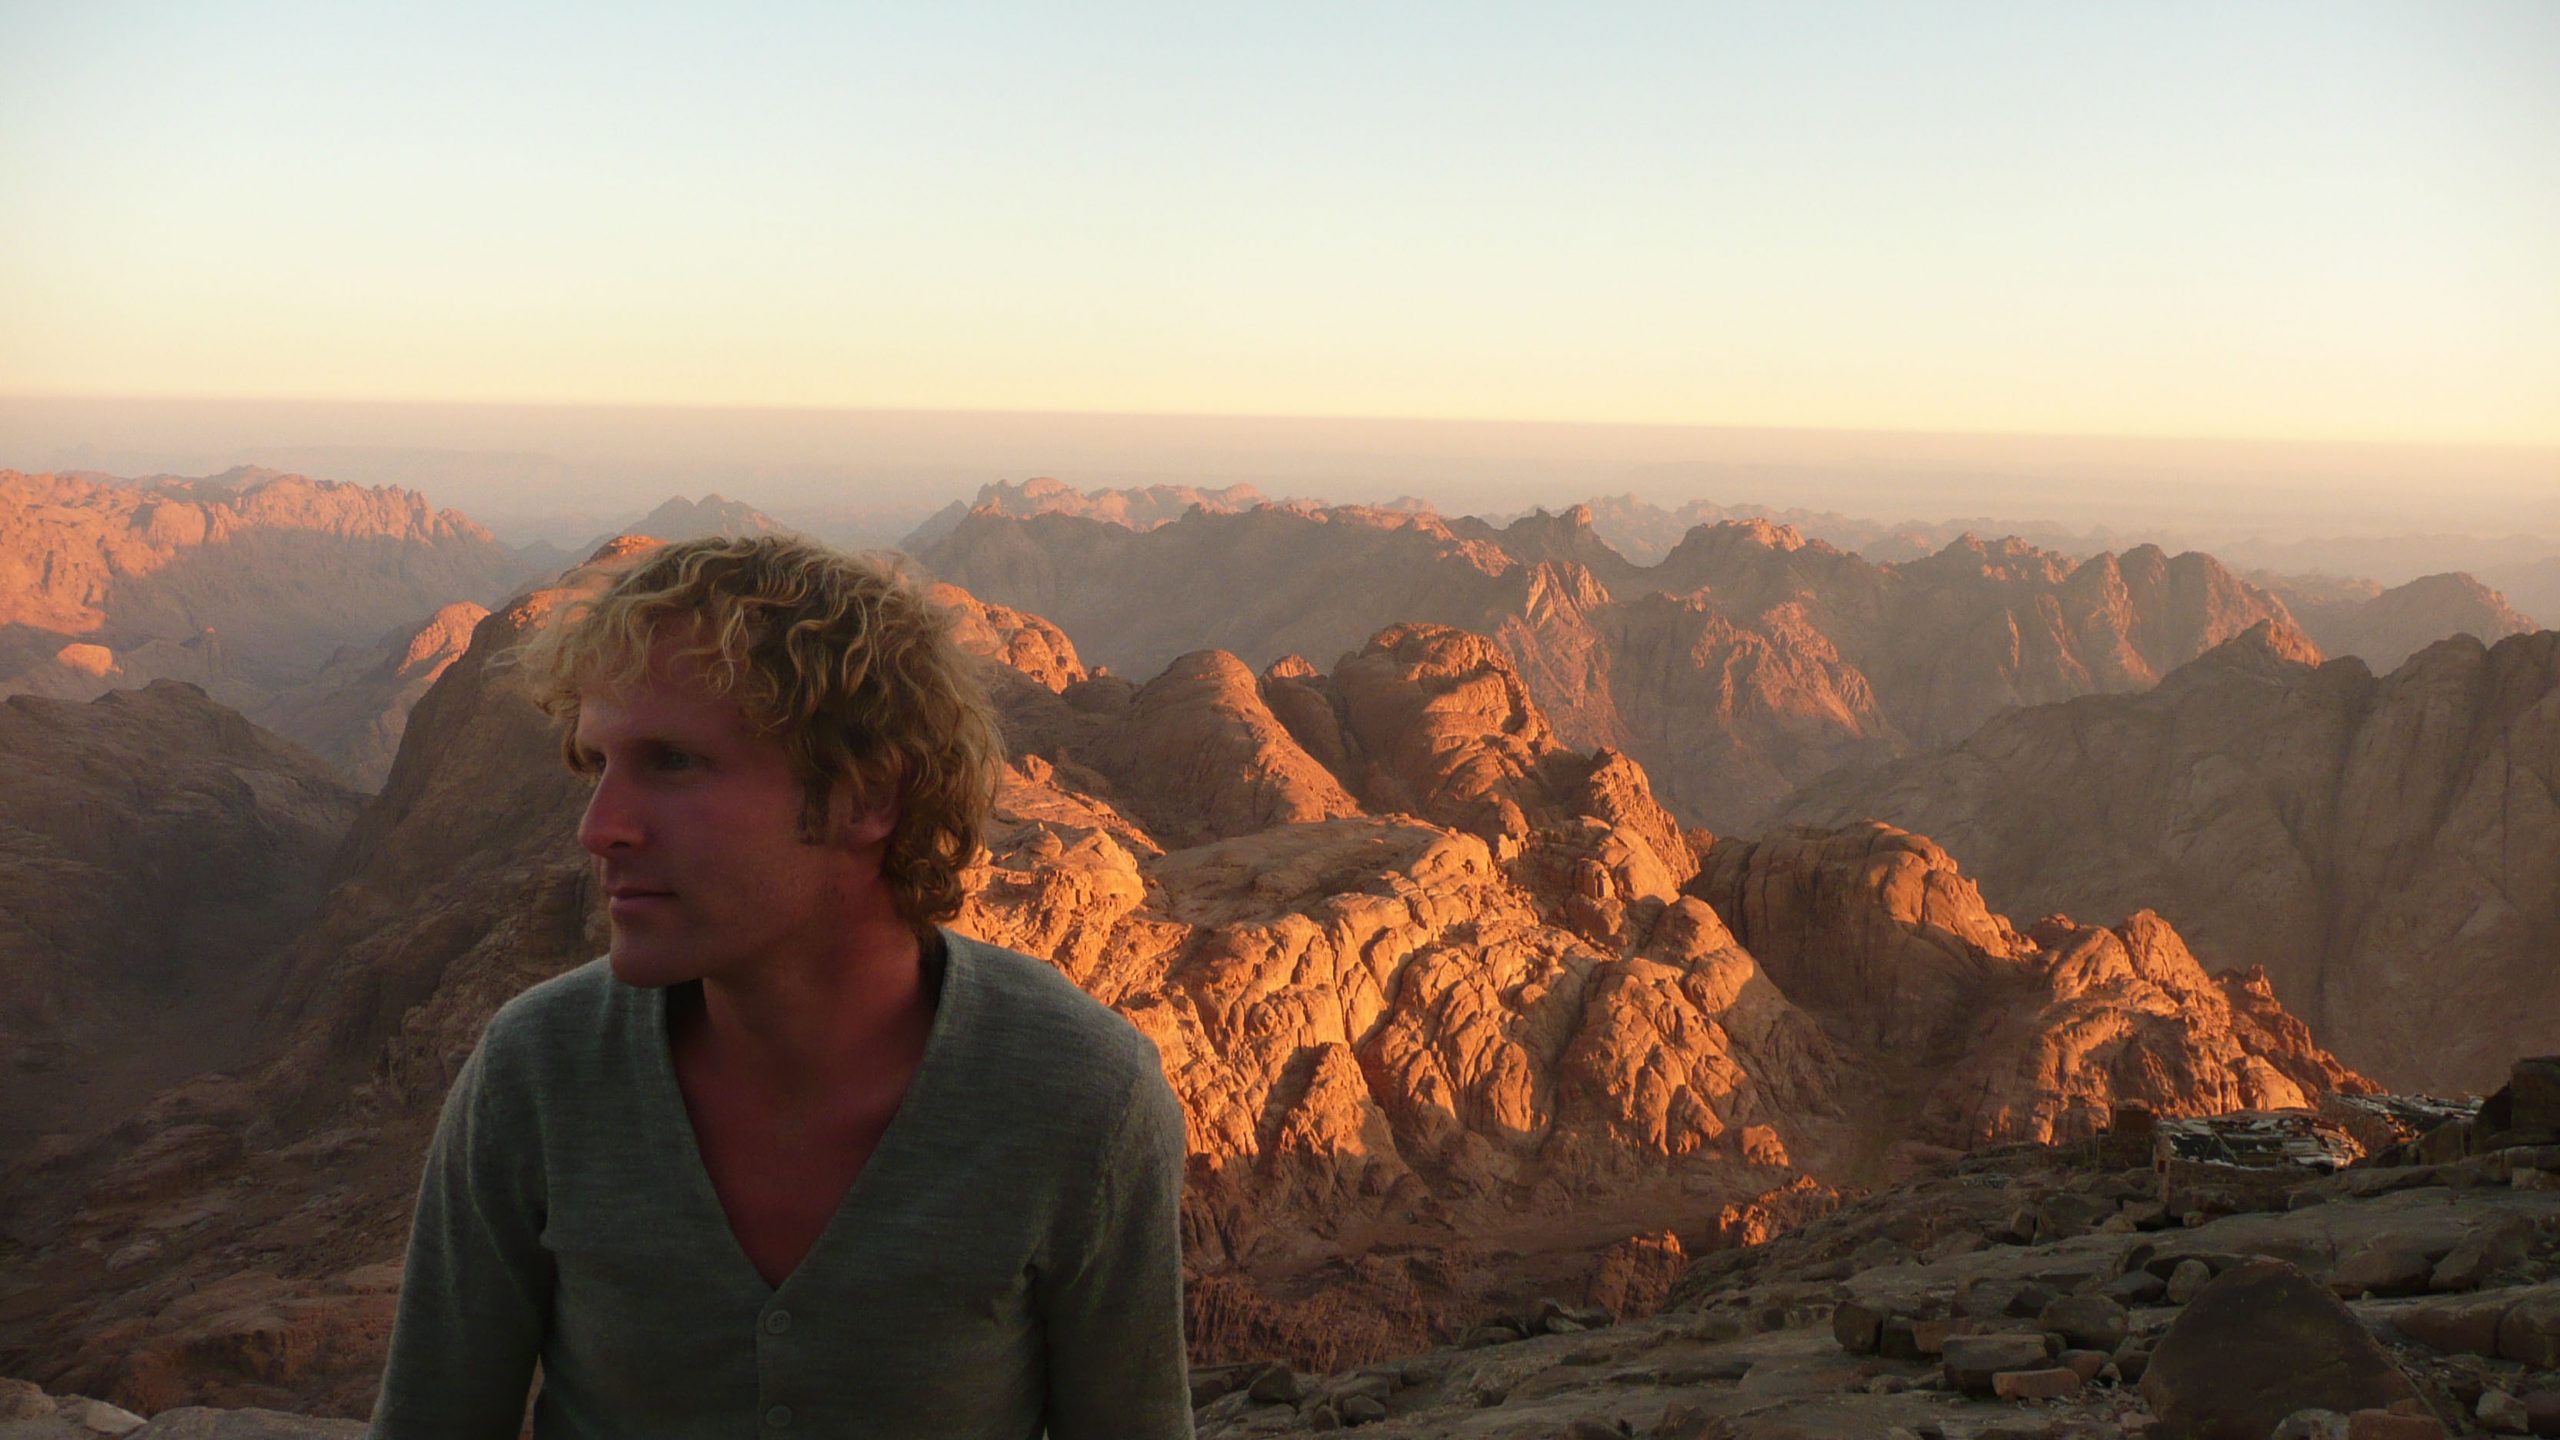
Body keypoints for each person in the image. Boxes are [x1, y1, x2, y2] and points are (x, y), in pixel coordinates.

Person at [367, 535, 1194, 1439]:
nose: (599, 828)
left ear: (866, 797)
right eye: (596, 765)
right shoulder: (536, 1072)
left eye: (673, 762)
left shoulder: (1078, 1099)